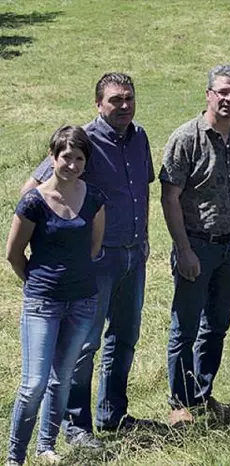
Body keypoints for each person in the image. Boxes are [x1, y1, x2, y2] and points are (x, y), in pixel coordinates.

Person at [21, 73, 154, 447]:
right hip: (95, 263)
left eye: (129, 98)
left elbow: (141, 192)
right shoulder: (83, 141)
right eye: (115, 100)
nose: (124, 105)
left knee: (124, 337)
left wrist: (142, 242)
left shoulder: (140, 136)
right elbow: (32, 192)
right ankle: (76, 426)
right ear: (98, 104)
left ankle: (113, 414)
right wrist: (53, 249)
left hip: (133, 255)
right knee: (85, 344)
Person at [160, 64, 230, 426]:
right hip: (197, 245)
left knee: (217, 325)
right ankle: (178, 402)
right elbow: (170, 197)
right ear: (209, 94)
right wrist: (183, 249)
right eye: (223, 92)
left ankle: (202, 393)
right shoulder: (187, 137)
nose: (229, 98)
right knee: (185, 327)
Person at [6, 126, 106, 465]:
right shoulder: (33, 202)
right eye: (66, 157)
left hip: (82, 300)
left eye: (79, 158)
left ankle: (46, 446)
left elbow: (93, 249)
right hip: (42, 303)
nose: (73, 164)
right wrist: (37, 283)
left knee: (62, 378)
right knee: (34, 383)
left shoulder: (93, 198)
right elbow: (14, 253)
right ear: (52, 158)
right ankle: (14, 457)